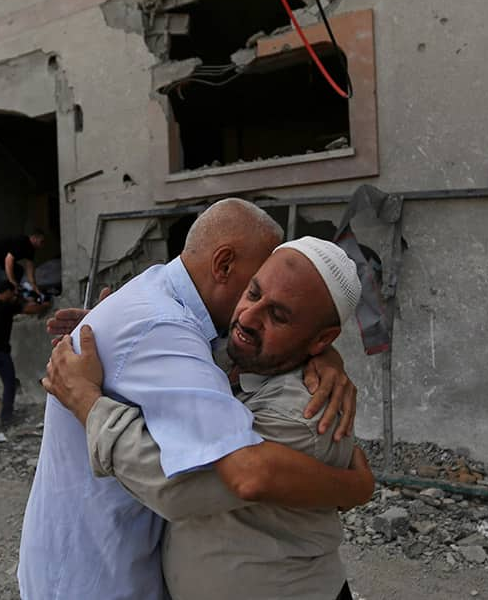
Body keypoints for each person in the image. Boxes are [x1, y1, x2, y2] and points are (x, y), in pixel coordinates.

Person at [19, 199, 371, 599]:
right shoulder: (173, 329)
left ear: (320, 337)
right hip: (95, 575)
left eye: (280, 315)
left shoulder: (303, 411)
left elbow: (194, 486)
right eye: (253, 290)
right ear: (223, 265)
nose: (248, 317)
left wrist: (89, 402)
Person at [0, 281, 50, 431]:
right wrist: (45, 305)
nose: (14, 295)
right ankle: (6, 419)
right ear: (6, 292)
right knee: (9, 384)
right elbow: (30, 309)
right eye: (12, 292)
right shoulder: (6, 306)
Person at [0, 230, 45, 309]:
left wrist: (33, 284)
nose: (43, 245)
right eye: (42, 241)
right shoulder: (22, 242)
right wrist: (12, 281)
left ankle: (13, 293)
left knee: (19, 270)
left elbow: (30, 265)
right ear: (34, 238)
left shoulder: (31, 248)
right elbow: (9, 260)